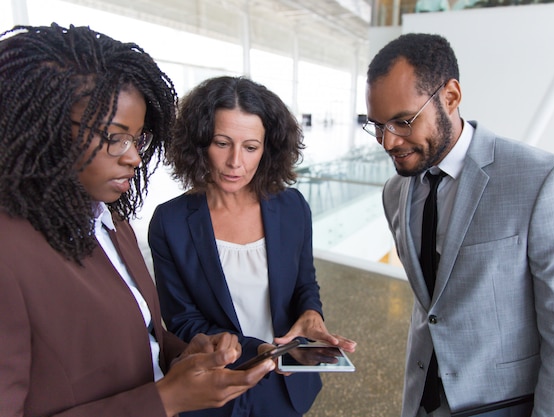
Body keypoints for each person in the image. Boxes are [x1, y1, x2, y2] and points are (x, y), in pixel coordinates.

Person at [0, 24, 274, 417]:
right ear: (42, 127)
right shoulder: (9, 254)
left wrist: (184, 355)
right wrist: (166, 399)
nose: (133, 157)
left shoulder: (109, 222)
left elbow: (141, 336)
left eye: (138, 139)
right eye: (115, 137)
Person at [364, 33, 554, 417]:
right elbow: (434, 306)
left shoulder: (544, 180)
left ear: (451, 97)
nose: (388, 141)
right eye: (376, 125)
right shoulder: (396, 192)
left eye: (403, 121)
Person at [148, 75, 357, 417]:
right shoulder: (169, 222)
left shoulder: (292, 208)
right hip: (214, 388)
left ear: (267, 148)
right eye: (221, 143)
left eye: (250, 147)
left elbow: (305, 282)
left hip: (286, 387)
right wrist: (257, 351)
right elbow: (183, 321)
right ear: (198, 143)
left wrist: (311, 313)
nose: (235, 162)